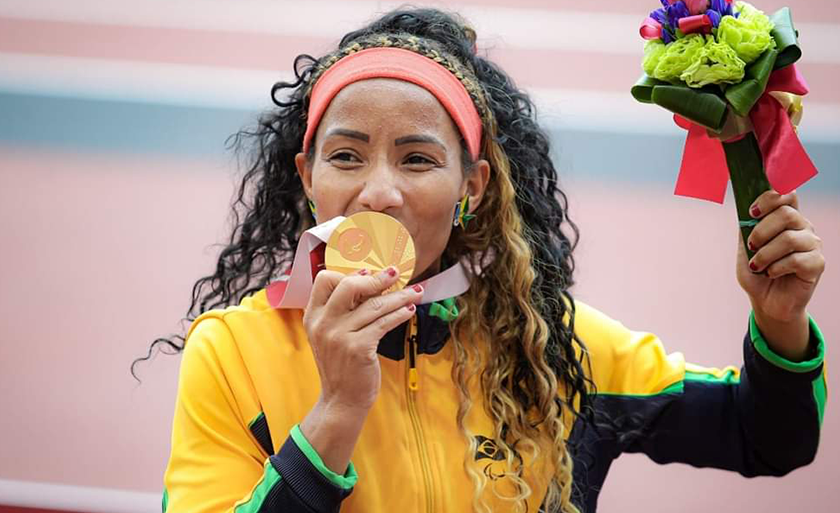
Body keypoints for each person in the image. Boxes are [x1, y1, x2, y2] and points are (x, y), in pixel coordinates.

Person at [148, 7, 827, 513]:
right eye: (346, 155)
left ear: (471, 186)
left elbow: (766, 437)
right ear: (307, 173)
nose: (378, 190)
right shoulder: (232, 353)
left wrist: (781, 323)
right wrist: (335, 411)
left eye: (418, 159)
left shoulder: (558, 347)